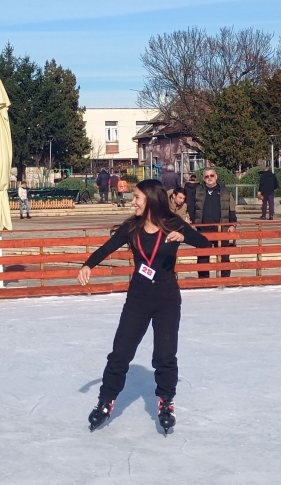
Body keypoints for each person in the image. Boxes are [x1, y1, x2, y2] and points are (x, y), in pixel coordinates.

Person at [77, 179, 210, 433]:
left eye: (137, 197)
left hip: (167, 297)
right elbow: (107, 248)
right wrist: (87, 265)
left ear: (150, 199)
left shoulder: (173, 223)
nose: (133, 202)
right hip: (138, 296)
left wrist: (185, 236)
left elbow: (205, 243)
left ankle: (166, 401)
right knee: (120, 353)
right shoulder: (132, 227)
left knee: (165, 355)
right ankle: (106, 400)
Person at [191, 169, 237, 278]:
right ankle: (203, 280)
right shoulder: (198, 191)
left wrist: (232, 224)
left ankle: (225, 279)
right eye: (207, 176)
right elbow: (192, 208)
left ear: (216, 176)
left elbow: (231, 209)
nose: (209, 178)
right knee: (202, 257)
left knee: (224, 257)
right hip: (203, 229)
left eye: (211, 175)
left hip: (221, 229)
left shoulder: (225, 191)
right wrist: (193, 221)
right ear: (203, 179)